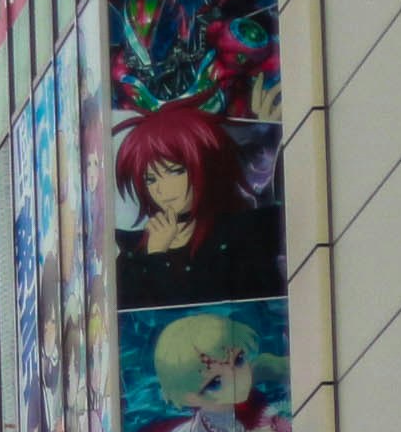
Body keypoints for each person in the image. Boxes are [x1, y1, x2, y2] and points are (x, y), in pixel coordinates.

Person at [113, 104, 283, 309]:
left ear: (204, 165)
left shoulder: (243, 231)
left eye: (174, 172)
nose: (160, 189)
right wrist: (155, 254)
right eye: (150, 179)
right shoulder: (133, 253)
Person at [126, 307, 292, 432]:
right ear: (188, 397)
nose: (237, 379)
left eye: (239, 360)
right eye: (215, 382)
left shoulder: (249, 404)